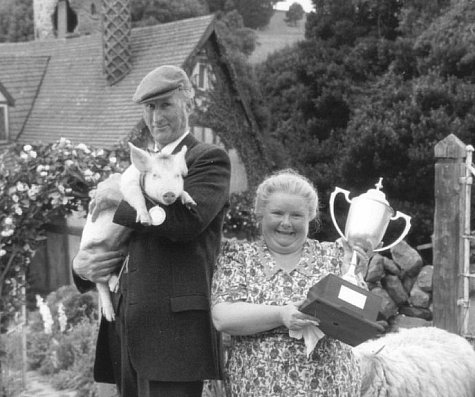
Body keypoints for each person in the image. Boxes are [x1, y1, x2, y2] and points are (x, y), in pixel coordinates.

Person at [73, 64, 231, 397]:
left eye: (165, 105)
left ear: (188, 103)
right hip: (124, 334)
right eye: (149, 107)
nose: (156, 116)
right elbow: (109, 233)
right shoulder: (140, 165)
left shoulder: (209, 159)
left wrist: (119, 197)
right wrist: (82, 268)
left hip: (174, 339)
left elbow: (186, 225)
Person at [211, 169, 370, 396]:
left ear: (310, 218)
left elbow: (358, 318)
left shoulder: (334, 255)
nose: (286, 223)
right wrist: (281, 315)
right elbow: (223, 317)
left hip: (330, 386)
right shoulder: (237, 256)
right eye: (277, 213)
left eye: (296, 216)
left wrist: (352, 273)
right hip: (257, 387)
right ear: (260, 214)